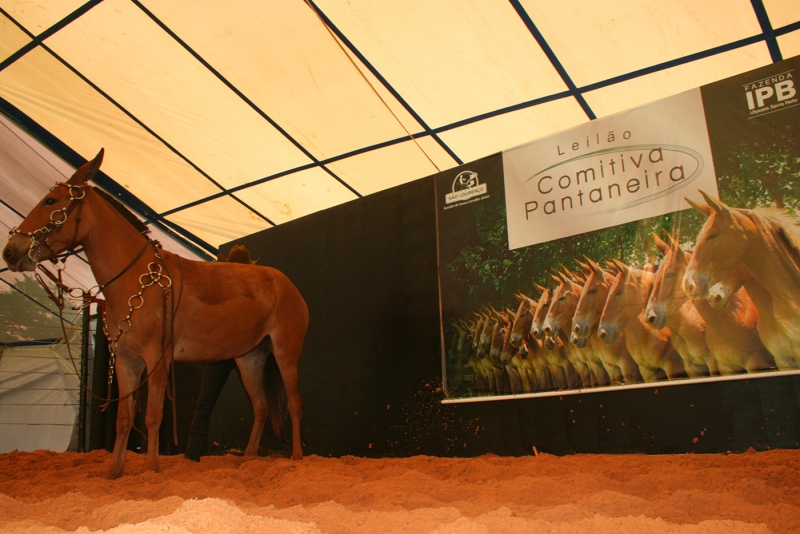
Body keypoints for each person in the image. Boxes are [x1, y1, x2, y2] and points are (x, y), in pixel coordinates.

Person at [184, 246, 290, 461]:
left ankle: (193, 452)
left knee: (209, 402)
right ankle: (194, 452)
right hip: (229, 350)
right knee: (210, 401)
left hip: (238, 348)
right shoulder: (232, 289)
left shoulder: (236, 290)